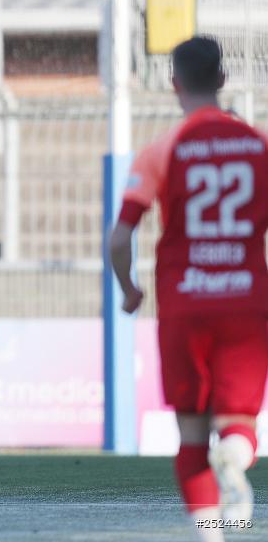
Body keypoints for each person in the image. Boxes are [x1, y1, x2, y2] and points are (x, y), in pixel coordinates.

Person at [110, 36, 268, 541]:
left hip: (184, 305)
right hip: (245, 303)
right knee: (238, 423)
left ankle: (210, 536)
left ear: (174, 84)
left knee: (192, 435)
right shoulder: (259, 145)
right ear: (223, 80)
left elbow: (120, 237)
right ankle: (235, 459)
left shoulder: (163, 148)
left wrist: (129, 290)